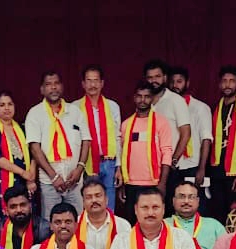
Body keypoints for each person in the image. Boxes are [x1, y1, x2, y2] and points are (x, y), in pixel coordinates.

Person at [28, 70, 92, 218]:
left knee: (78, 221)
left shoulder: (75, 111)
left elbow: (86, 141)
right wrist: (54, 176)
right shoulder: (35, 113)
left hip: (75, 181)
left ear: (62, 87)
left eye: (56, 83)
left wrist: (80, 169)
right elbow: (34, 148)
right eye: (48, 84)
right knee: (51, 225)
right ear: (42, 89)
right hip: (49, 182)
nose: (53, 87)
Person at [117, 82, 175, 214]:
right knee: (132, 223)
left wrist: (162, 183)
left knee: (153, 220)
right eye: (139, 96)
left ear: (153, 98)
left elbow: (167, 152)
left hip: (153, 183)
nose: (143, 100)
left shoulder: (161, 122)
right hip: (131, 183)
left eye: (147, 96)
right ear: (134, 98)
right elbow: (122, 154)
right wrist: (123, 185)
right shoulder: (126, 124)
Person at [205, 65, 236, 222]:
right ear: (219, 84)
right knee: (216, 214)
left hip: (235, 173)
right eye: (224, 81)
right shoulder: (214, 108)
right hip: (216, 171)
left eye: (232, 81)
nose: (227, 85)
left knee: (234, 216)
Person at [0, 90, 38, 222]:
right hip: (4, 180)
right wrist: (22, 173)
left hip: (25, 181)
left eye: (10, 104)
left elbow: (34, 153)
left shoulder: (22, 127)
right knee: (6, 220)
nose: (7, 108)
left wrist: (30, 177)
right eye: (2, 105)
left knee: (26, 217)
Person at [75, 65, 121, 211]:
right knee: (89, 204)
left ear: (102, 83)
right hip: (87, 164)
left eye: (96, 80)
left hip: (109, 162)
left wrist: (119, 167)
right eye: (89, 81)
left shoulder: (113, 106)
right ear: (83, 84)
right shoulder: (74, 108)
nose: (92, 85)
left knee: (108, 205)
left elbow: (118, 137)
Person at [143, 60, 192, 187]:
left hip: (169, 168)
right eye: (150, 77)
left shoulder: (176, 100)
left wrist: (173, 161)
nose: (153, 80)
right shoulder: (143, 102)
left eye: (157, 76)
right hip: (147, 168)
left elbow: (185, 133)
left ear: (165, 78)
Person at [169, 66, 213, 190]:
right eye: (172, 81)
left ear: (187, 83)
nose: (175, 85)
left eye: (179, 81)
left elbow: (206, 139)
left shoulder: (200, 108)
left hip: (192, 166)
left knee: (193, 204)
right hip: (171, 166)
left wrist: (202, 168)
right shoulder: (166, 108)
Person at [77, 176, 131, 249]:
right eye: (89, 197)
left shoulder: (122, 225)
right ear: (83, 202)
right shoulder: (75, 225)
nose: (94, 200)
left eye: (98, 196)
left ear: (106, 199)